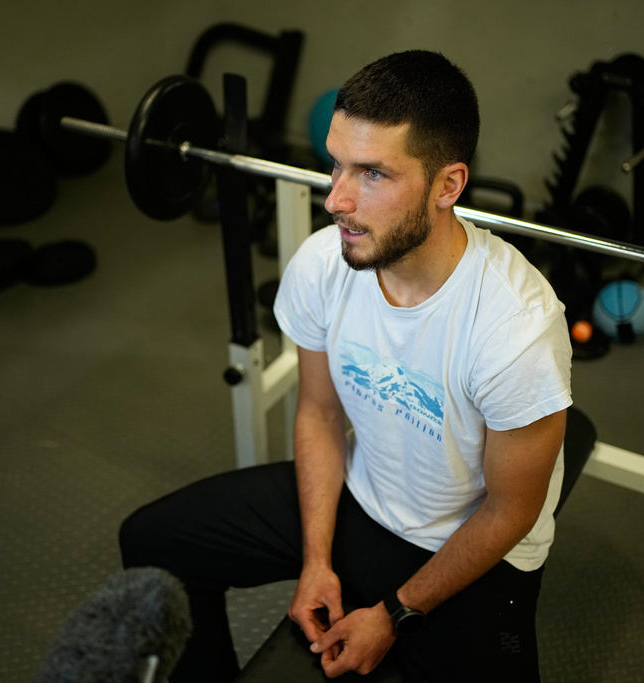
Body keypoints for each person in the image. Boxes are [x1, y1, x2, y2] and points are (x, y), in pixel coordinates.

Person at [119, 50, 572, 682]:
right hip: (363, 497)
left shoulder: (516, 329)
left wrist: (394, 614)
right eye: (336, 164)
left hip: (471, 546)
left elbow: (509, 512)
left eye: (373, 174)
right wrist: (316, 558)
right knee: (153, 540)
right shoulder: (323, 263)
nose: (336, 199)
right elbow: (320, 412)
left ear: (448, 185)